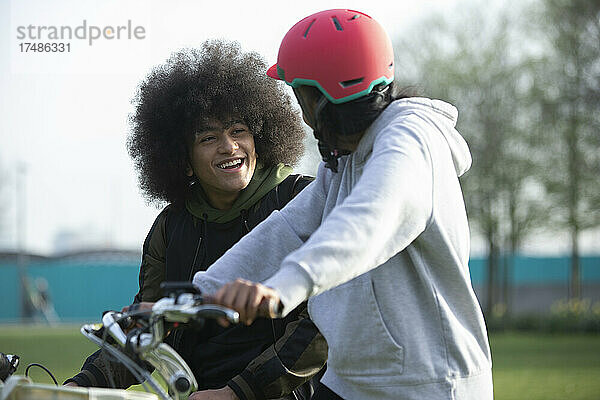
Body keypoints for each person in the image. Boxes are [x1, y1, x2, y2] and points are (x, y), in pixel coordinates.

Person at [192, 9, 493, 400]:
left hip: (428, 385)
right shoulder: (345, 160)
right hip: (350, 383)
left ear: (322, 99)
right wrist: (198, 293)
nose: (300, 112)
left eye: (300, 95)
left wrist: (284, 287)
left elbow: (369, 220)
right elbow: (288, 229)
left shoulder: (412, 140)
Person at [65, 40, 327, 400]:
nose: (229, 147)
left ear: (260, 137)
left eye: (238, 131)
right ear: (183, 160)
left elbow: (323, 325)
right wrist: (77, 387)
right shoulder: (170, 226)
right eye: (208, 137)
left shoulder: (302, 199)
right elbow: (148, 330)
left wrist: (239, 392)